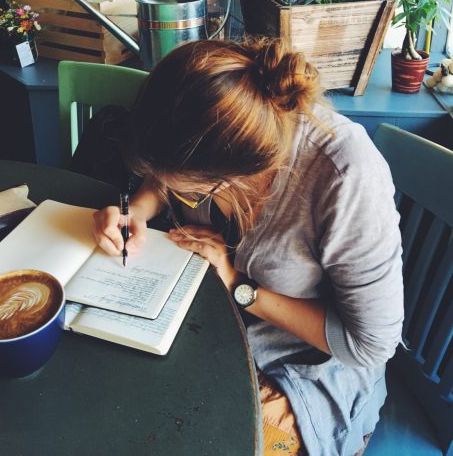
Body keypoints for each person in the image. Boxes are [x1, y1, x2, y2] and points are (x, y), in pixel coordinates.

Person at [93, 38, 404, 456]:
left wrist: (238, 283)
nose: (180, 193)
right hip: (212, 332)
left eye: (191, 189)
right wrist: (138, 210)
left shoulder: (346, 176)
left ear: (237, 171)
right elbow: (168, 174)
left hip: (305, 370)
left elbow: (369, 345)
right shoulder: (217, 117)